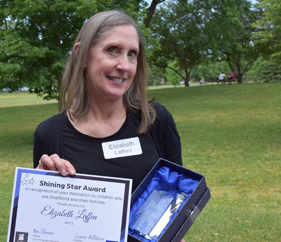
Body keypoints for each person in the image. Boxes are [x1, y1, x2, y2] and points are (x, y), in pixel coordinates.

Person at [33, 11, 185, 241]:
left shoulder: (156, 119)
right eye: (112, 50)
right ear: (82, 55)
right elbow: (45, 227)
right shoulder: (50, 134)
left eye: (132, 54)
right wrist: (38, 190)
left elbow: (175, 206)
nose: (124, 65)